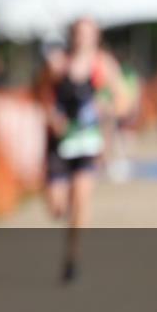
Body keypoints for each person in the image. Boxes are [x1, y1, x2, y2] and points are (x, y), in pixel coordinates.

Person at [37, 17, 128, 282]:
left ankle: (72, 258)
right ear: (71, 35)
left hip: (89, 143)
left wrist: (107, 108)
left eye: (88, 34)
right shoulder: (57, 64)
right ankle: (60, 205)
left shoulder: (104, 65)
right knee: (56, 207)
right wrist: (53, 116)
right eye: (78, 33)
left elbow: (124, 100)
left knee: (81, 200)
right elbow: (41, 93)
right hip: (60, 144)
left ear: (96, 37)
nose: (82, 38)